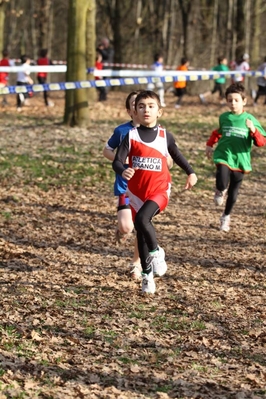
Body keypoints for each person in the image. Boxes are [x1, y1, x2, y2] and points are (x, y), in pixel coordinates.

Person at [112, 90, 197, 294]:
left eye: (150, 106)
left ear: (159, 111)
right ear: (135, 111)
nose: (146, 110)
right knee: (140, 232)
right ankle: (147, 276)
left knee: (142, 220)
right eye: (141, 106)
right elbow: (116, 161)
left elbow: (177, 155)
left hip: (159, 190)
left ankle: (156, 252)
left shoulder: (164, 135)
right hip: (136, 194)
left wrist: (191, 172)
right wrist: (123, 170)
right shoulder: (130, 136)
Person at [206, 83, 266, 232]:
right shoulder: (224, 117)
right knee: (221, 178)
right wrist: (209, 144)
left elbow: (261, 142)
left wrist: (253, 130)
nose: (232, 103)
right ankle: (220, 189)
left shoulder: (250, 119)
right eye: (229, 100)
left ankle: (226, 217)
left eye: (236, 100)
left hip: (241, 160)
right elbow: (217, 132)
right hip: (224, 155)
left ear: (244, 101)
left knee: (233, 193)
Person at [103, 91, 142, 278]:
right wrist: (122, 161)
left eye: (142, 103)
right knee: (127, 227)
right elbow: (107, 150)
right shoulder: (121, 131)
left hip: (145, 187)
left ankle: (136, 263)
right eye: (135, 104)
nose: (138, 107)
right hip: (125, 184)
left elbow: (168, 158)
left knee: (141, 225)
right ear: (129, 110)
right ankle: (121, 229)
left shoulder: (156, 133)